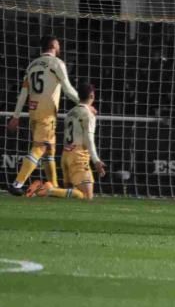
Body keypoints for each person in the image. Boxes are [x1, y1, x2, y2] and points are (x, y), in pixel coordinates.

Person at [6, 35, 79, 196]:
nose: (60, 46)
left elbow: (23, 93)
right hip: (47, 113)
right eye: (59, 43)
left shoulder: (32, 65)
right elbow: (67, 88)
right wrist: (82, 103)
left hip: (34, 112)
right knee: (41, 147)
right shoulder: (57, 63)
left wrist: (16, 116)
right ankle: (17, 184)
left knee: (49, 151)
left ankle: (53, 186)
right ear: (53, 45)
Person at [28, 83, 106, 200]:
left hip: (66, 155)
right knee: (87, 196)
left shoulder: (70, 112)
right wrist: (96, 161)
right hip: (79, 156)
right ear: (92, 96)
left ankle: (49, 190)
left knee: (70, 196)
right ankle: (48, 189)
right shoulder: (88, 114)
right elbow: (89, 139)